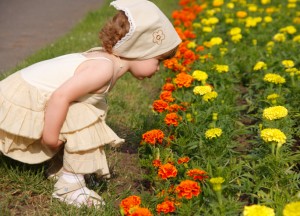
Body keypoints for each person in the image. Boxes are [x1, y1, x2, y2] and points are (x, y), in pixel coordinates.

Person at [0, 0, 181, 208]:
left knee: (82, 112)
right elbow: (60, 97)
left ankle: (64, 168)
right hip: (21, 97)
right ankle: (69, 187)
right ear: (139, 50)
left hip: (22, 92)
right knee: (86, 119)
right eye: (158, 61)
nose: (158, 69)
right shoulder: (103, 69)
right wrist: (50, 137)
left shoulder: (106, 61)